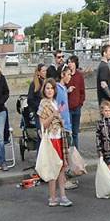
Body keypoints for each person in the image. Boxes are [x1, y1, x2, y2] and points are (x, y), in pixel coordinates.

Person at [38, 79, 72, 207]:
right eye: (47, 88)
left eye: (51, 88)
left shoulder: (55, 102)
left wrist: (61, 120)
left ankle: (62, 195)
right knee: (53, 168)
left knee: (61, 167)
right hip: (51, 139)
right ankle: (52, 197)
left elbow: (59, 118)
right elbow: (43, 124)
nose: (50, 90)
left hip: (59, 136)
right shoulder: (43, 104)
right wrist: (54, 115)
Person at [66, 56, 86, 152]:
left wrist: (80, 103)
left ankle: (76, 153)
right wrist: (67, 91)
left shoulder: (79, 76)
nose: (70, 64)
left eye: (72, 62)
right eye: (69, 62)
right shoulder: (66, 75)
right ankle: (69, 153)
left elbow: (82, 91)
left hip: (77, 107)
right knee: (68, 132)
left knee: (75, 132)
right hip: (68, 108)